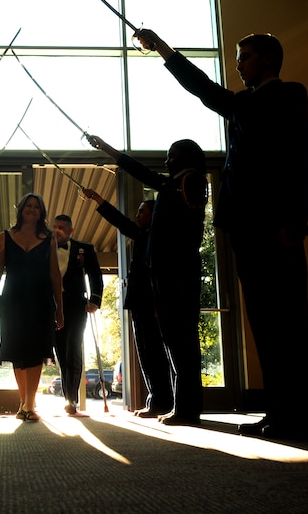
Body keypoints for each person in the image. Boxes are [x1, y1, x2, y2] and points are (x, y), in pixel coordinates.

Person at [134, 29, 308, 439]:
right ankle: (280, 412)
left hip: (277, 226)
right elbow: (204, 89)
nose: (238, 65)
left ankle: (304, 418)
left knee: (288, 322)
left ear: (268, 59)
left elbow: (300, 159)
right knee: (265, 325)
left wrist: (294, 219)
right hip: (246, 227)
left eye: (245, 56)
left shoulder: (288, 95)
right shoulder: (242, 105)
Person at [88, 136, 207, 426]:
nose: (167, 160)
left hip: (178, 276)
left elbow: (142, 172)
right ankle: (180, 405)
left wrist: (107, 149)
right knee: (174, 343)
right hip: (168, 277)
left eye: (172, 155)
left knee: (182, 344)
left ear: (187, 159)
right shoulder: (173, 186)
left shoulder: (189, 181)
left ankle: (187, 408)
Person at [82, 190, 173, 418]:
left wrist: (158, 304)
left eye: (142, 212)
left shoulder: (159, 237)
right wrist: (98, 200)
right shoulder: (142, 235)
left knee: (155, 353)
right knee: (144, 353)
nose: (137, 215)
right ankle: (155, 399)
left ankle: (163, 401)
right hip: (138, 302)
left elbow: (161, 273)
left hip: (152, 303)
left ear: (154, 214)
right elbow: (121, 222)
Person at [0, 193, 65, 422]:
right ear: (21, 210)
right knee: (16, 350)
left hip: (41, 300)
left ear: (41, 213)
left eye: (36, 207)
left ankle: (30, 404)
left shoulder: (49, 239)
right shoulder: (5, 237)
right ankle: (24, 403)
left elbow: (55, 274)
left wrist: (60, 308)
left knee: (36, 350)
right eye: (28, 206)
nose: (32, 209)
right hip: (12, 300)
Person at [51, 214, 104, 416]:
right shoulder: (46, 248)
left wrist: (95, 300)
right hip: (53, 306)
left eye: (62, 227)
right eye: (55, 227)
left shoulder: (84, 249)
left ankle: (71, 399)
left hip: (76, 306)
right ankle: (68, 395)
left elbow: (95, 275)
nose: (57, 230)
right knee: (60, 351)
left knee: (73, 347)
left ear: (70, 230)